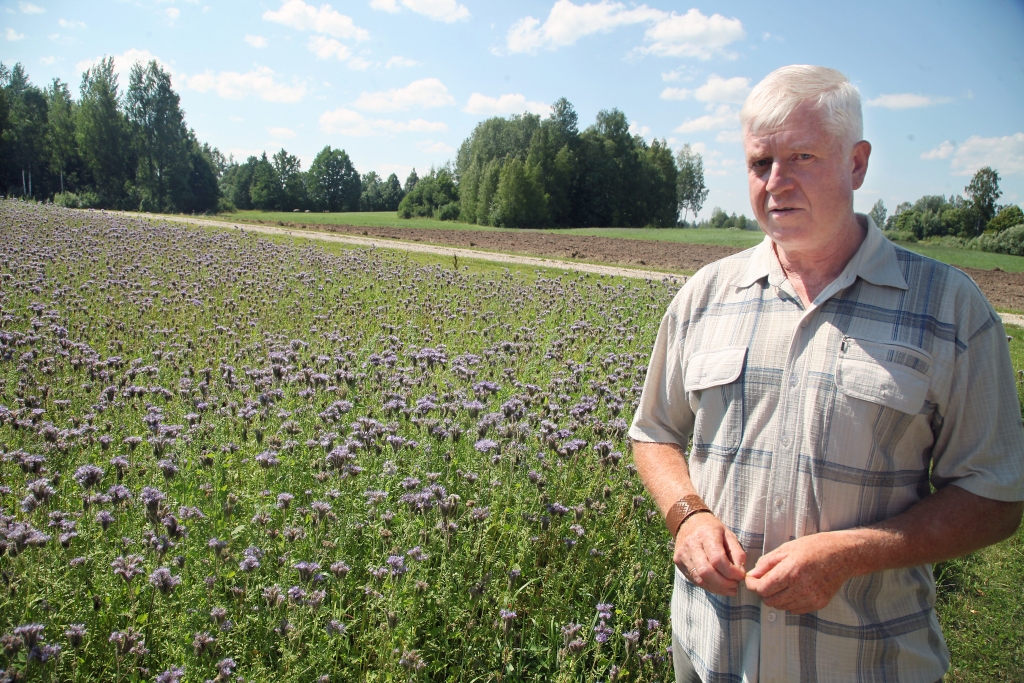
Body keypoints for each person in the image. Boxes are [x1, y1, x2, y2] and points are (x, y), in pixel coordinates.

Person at [629, 65, 1024, 683]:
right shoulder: (704, 296)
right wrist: (688, 515)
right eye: (761, 163)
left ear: (858, 164)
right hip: (713, 658)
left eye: (803, 156)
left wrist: (849, 554)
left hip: (868, 661)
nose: (776, 182)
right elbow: (654, 431)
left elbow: (995, 496)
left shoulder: (949, 308)